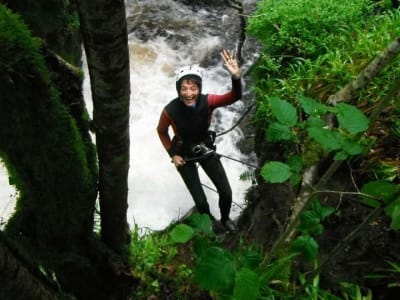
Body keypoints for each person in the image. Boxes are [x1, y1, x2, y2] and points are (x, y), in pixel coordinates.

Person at [156, 49, 242, 232]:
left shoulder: (208, 101)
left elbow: (234, 97)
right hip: (183, 155)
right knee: (201, 202)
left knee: (226, 192)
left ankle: (225, 219)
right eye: (184, 88)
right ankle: (211, 224)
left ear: (199, 88)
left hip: (204, 149)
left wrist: (235, 77)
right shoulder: (170, 111)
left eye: (193, 88)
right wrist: (173, 155)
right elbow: (161, 131)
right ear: (178, 90)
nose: (188, 93)